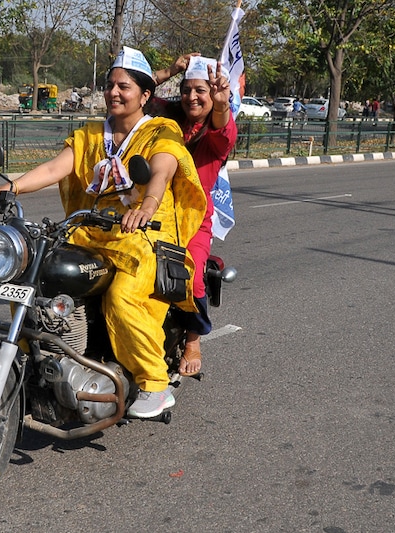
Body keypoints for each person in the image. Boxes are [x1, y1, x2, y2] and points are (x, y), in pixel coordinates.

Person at [0, 46, 206, 418]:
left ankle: (153, 383)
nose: (115, 92)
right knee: (33, 278)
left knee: (122, 298)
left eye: (125, 87)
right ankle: (32, 356)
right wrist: (8, 189)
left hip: (143, 236)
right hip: (90, 233)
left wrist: (146, 206)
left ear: (145, 95)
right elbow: (54, 169)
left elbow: (162, 169)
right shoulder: (88, 135)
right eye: (110, 85)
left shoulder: (161, 130)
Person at [150, 54, 238, 377]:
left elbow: (224, 130)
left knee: (193, 276)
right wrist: (170, 71)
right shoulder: (170, 122)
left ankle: (192, 339)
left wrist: (220, 104)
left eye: (200, 90)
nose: (191, 97)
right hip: (153, 210)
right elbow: (138, 95)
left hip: (193, 220)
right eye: (186, 89)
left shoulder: (215, 135)